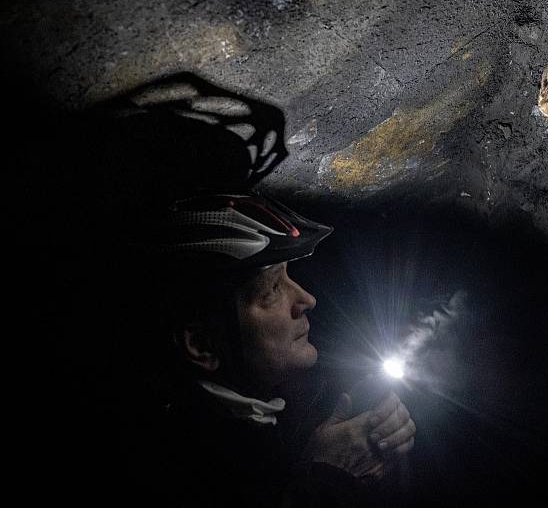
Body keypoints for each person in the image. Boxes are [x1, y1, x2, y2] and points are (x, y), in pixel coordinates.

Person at [120, 191, 416, 506]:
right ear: (203, 345)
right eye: (272, 289)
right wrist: (329, 478)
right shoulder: (172, 464)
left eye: (288, 276)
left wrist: (354, 461)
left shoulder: (254, 429)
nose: (306, 300)